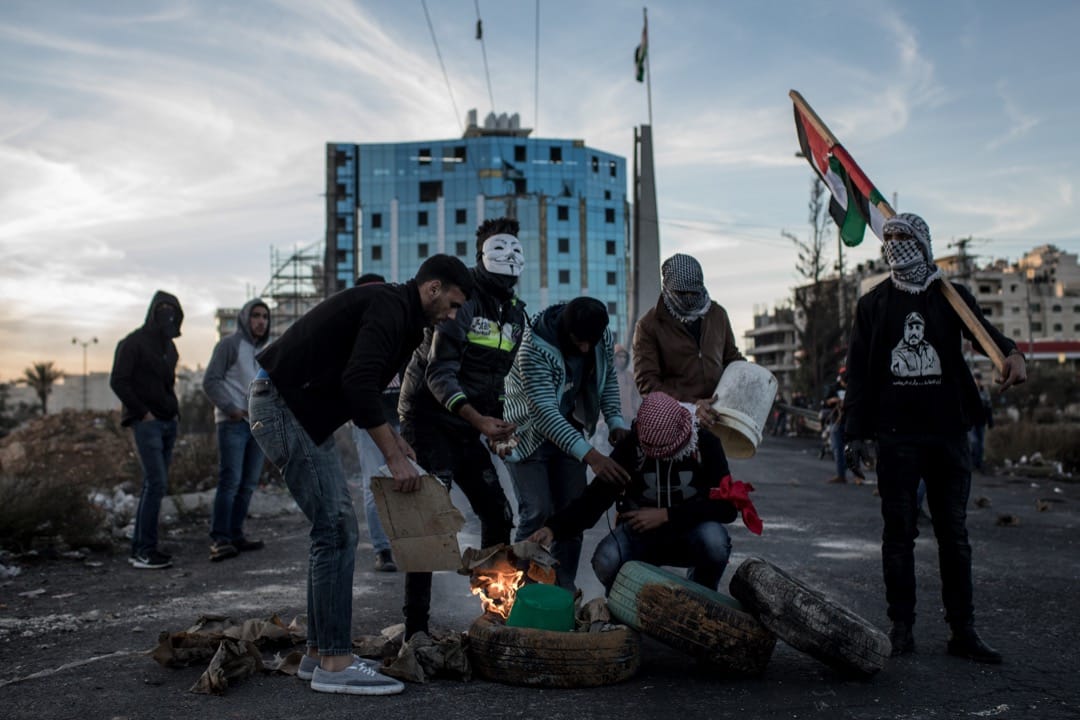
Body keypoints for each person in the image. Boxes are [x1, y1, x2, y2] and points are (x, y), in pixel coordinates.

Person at [248, 254, 472, 696]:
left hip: (296, 409)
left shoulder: (402, 317)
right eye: (451, 303)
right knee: (336, 528)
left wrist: (395, 439)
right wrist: (394, 459)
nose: (452, 315)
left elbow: (358, 388)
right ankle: (334, 663)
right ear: (432, 289)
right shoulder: (389, 307)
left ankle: (319, 654)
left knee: (330, 530)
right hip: (283, 406)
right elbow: (359, 384)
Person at [843, 213, 1026, 665]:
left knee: (954, 535)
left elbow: (987, 336)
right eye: (891, 239)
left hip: (948, 434)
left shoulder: (951, 298)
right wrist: (855, 435)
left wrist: (1013, 354)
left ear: (924, 243)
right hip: (896, 438)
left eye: (906, 238)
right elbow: (861, 377)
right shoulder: (874, 305)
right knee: (899, 535)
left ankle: (963, 630)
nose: (898, 246)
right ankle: (901, 628)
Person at [397, 217, 527, 639]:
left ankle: (494, 616)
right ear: (482, 255)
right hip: (429, 419)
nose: (509, 258)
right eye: (500, 250)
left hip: (468, 424)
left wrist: (502, 424)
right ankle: (415, 628)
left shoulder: (515, 314)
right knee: (428, 522)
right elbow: (439, 375)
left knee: (497, 512)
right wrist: (480, 420)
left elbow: (498, 376)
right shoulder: (462, 302)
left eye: (515, 250)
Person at [529, 392, 760, 593]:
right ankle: (625, 607)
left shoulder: (705, 444)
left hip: (690, 533)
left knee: (715, 542)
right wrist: (553, 528)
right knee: (606, 559)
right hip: (640, 537)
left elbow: (726, 508)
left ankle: (701, 599)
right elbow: (594, 499)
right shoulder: (631, 447)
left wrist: (667, 514)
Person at [501, 297, 630, 591]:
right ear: (565, 330)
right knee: (537, 510)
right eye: (579, 341)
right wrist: (592, 456)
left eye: (591, 342)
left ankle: (562, 591)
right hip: (526, 431)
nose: (585, 349)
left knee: (571, 514)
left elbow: (607, 378)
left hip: (569, 425)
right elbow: (545, 414)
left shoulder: (600, 337)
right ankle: (519, 592)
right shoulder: (533, 347)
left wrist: (615, 422)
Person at [632, 252, 746, 437]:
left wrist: (753, 379)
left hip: (717, 419)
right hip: (674, 424)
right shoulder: (648, 326)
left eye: (695, 293)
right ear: (667, 289)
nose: (690, 298)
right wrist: (692, 405)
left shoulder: (717, 315)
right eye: (682, 293)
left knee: (717, 466)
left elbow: (732, 359)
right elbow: (648, 384)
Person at [110, 291, 184, 570]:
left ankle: (142, 547)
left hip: (168, 422)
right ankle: (144, 550)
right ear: (153, 311)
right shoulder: (132, 343)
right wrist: (143, 412)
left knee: (155, 486)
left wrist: (174, 414)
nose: (168, 314)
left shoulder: (170, 348)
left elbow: (167, 385)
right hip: (147, 424)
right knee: (156, 483)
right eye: (163, 309)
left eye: (173, 310)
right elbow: (118, 381)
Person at [202, 298, 271, 562]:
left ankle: (235, 534)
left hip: (256, 425)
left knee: (248, 483)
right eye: (256, 315)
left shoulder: (262, 351)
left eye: (265, 316)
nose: (261, 321)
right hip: (232, 423)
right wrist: (230, 407)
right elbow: (210, 381)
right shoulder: (229, 345)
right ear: (245, 317)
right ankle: (219, 539)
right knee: (230, 481)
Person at [347, 272, 399, 574]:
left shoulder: (396, 325)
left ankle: (406, 545)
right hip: (369, 421)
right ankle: (383, 550)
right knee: (373, 485)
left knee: (407, 483)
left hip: (400, 418)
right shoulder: (353, 333)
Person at [824, 368, 862, 484]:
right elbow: (826, 401)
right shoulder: (833, 387)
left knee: (853, 449)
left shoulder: (854, 388)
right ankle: (841, 475)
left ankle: (857, 476)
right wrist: (834, 400)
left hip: (851, 422)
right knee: (838, 450)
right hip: (837, 421)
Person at [969, 372, 993, 472]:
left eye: (979, 379)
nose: (977, 381)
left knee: (981, 444)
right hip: (972, 422)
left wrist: (990, 420)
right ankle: (973, 463)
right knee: (974, 442)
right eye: (976, 379)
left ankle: (978, 464)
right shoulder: (970, 391)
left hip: (981, 422)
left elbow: (989, 406)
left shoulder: (985, 392)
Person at [612, 343, 642, 421]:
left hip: (628, 418)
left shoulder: (630, 377)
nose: (622, 359)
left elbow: (635, 397)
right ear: (613, 357)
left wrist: (635, 411)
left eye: (624, 357)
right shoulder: (607, 377)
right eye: (619, 356)